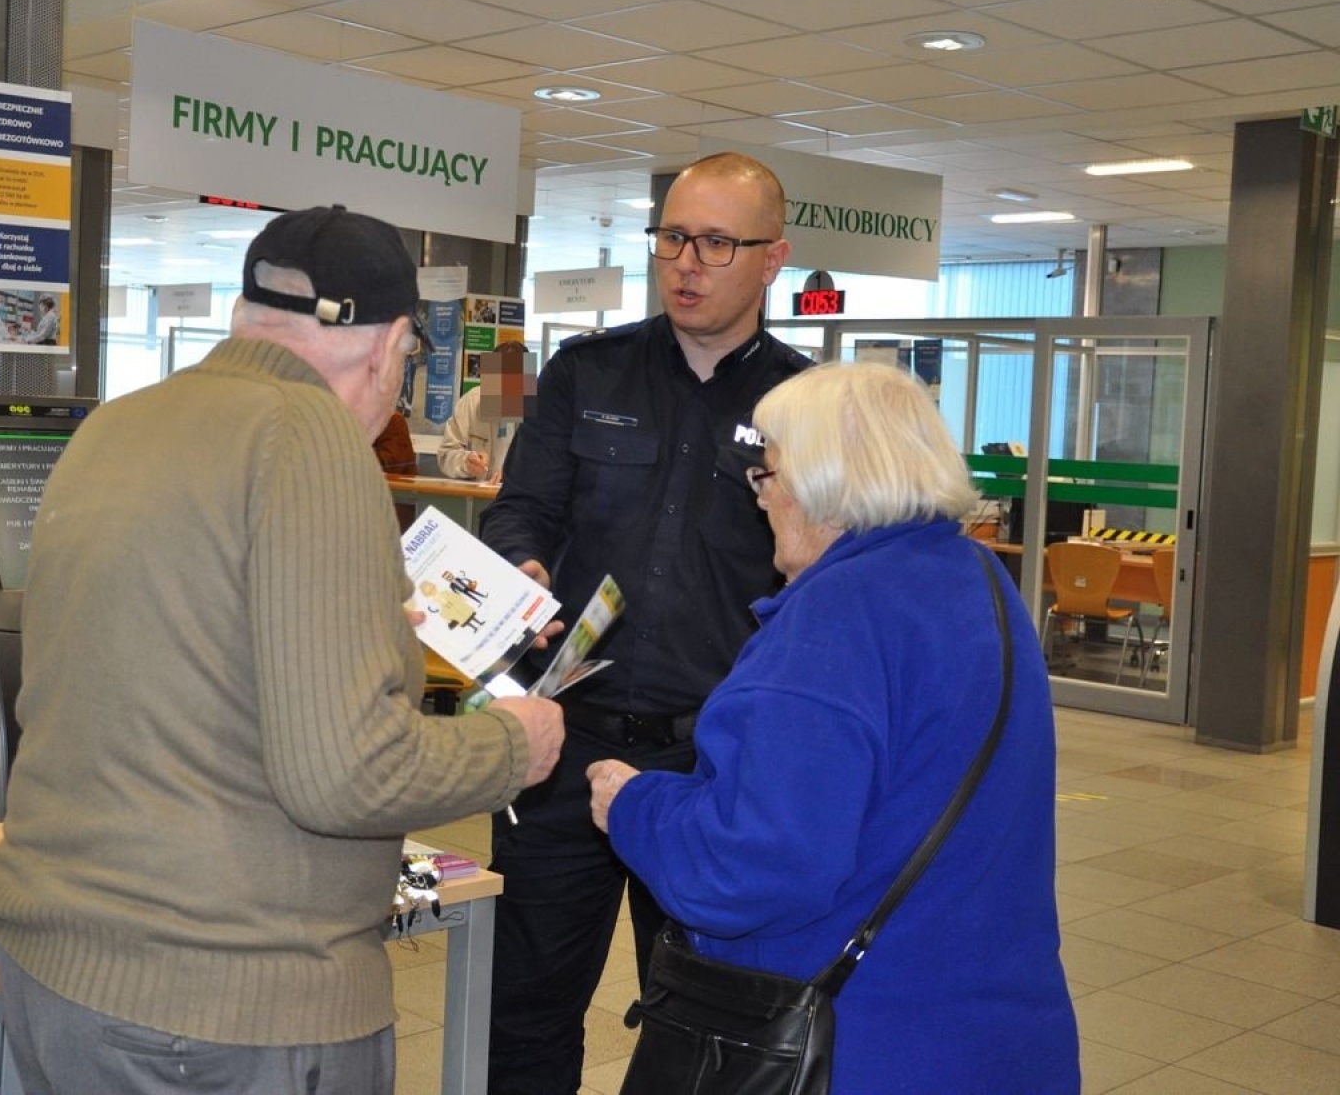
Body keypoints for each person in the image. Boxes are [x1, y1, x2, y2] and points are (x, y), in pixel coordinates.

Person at [0, 205, 565, 1095]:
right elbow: (347, 776)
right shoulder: (312, 436)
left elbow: (160, 658)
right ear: (392, 344)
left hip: (59, 973)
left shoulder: (115, 424)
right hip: (228, 1008)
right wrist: (513, 746)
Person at [586, 362, 1080, 1094]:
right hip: (999, 1035)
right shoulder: (981, 582)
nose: (761, 500)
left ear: (822, 486)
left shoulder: (832, 622)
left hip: (858, 1047)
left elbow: (746, 871)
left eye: (769, 475)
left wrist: (634, 805)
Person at [479, 151, 809, 1093]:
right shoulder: (588, 373)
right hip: (563, 747)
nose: (686, 263)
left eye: (716, 242)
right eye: (672, 237)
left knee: (706, 1024)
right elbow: (521, 510)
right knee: (525, 1010)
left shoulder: (805, 408)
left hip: (713, 767)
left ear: (772, 257)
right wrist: (523, 564)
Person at [436, 340, 528, 481]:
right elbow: (446, 455)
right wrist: (466, 462)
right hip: (476, 496)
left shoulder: (542, 411)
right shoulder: (471, 401)